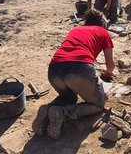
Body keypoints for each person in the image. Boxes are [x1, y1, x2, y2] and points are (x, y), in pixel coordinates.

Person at [32, 9, 115, 139]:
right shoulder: (103, 32)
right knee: (97, 105)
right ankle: (63, 112)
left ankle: (49, 109)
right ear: (102, 23)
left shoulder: (75, 30)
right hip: (79, 69)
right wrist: (107, 73)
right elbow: (110, 66)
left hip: (55, 70)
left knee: (69, 97)